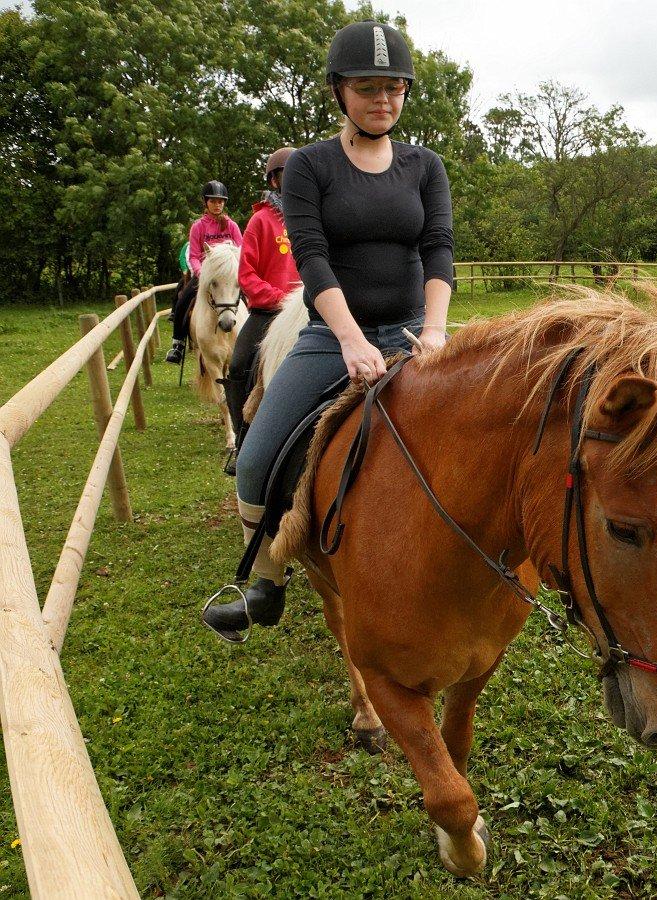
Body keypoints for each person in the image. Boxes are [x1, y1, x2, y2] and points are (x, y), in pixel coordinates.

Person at [201, 20, 454, 641]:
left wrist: (439, 331)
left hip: (419, 330)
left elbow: (439, 248)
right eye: (368, 86)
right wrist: (348, 338)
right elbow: (310, 256)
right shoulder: (311, 166)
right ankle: (265, 578)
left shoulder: (426, 166)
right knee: (258, 456)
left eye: (395, 87)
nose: (383, 99)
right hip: (331, 336)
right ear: (340, 91)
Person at [221, 147, 301, 475]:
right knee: (239, 366)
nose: (291, 182)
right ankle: (244, 440)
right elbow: (247, 276)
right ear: (273, 180)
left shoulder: (314, 217)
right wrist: (280, 298)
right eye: (285, 176)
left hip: (310, 312)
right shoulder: (260, 221)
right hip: (269, 313)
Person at [167, 182, 243, 363]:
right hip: (206, 275)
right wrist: (202, 274)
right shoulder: (198, 227)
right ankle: (178, 344)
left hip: (229, 275)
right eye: (213, 201)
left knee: (252, 298)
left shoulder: (231, 226)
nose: (217, 205)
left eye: (221, 202)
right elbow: (193, 255)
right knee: (183, 300)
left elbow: (241, 250)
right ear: (206, 203)